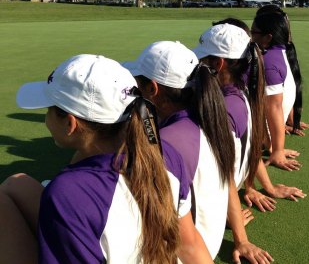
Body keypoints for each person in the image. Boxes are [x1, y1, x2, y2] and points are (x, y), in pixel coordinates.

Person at [1, 54, 186, 264]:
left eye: (48, 110)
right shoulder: (165, 153)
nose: (46, 118)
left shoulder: (68, 191)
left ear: (70, 124)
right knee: (17, 183)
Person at [124, 41, 273, 264]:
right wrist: (241, 238)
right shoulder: (211, 120)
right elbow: (228, 180)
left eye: (139, 85)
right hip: (207, 244)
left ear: (153, 89)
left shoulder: (165, 146)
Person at [192, 23, 306, 213]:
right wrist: (262, 187)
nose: (198, 65)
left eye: (202, 59)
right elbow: (251, 147)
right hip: (227, 192)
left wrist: (236, 230)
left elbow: (224, 171)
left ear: (218, 64)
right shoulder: (244, 93)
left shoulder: (223, 107)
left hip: (211, 203)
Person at [251, 13, 303, 171]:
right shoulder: (280, 52)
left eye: (254, 33)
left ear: (267, 37)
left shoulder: (268, 62)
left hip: (258, 138)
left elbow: (273, 107)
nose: (250, 37)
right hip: (267, 138)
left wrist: (278, 151)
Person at [256, 5, 309, 137]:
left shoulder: (284, 50)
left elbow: (290, 88)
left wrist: (292, 121)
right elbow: (269, 103)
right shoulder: (265, 57)